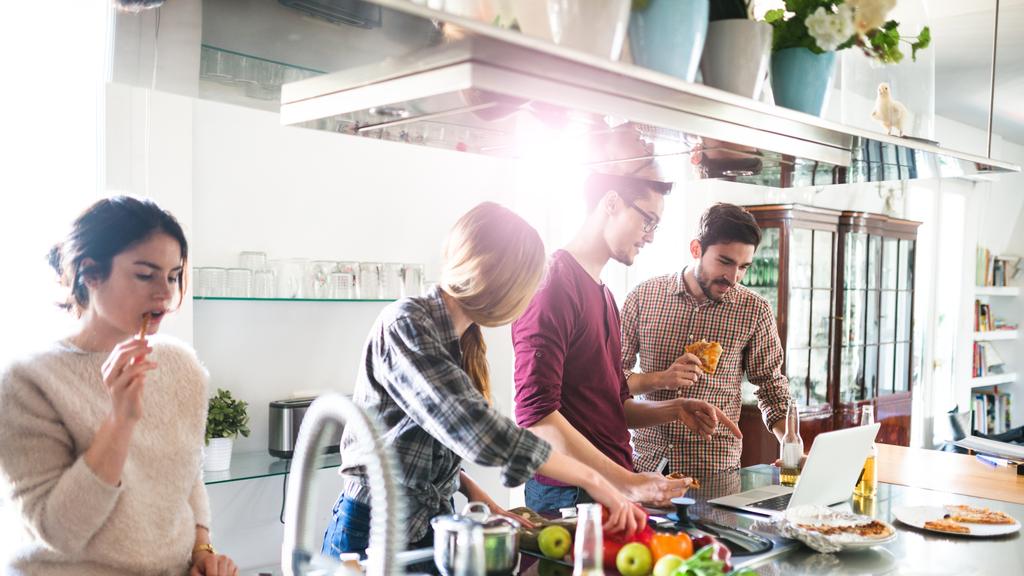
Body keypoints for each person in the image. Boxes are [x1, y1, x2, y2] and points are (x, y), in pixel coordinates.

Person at [322, 202, 648, 560]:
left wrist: (475, 492)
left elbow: (422, 442)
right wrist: (595, 479)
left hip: (425, 525)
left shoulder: (459, 337)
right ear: (499, 279)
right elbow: (478, 429)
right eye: (528, 286)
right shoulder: (407, 325)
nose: (530, 300)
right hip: (371, 529)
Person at [0, 196, 238, 576]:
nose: (164, 292)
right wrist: (119, 422)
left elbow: (186, 477)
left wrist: (202, 550)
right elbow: (59, 532)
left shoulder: (181, 365)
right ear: (91, 273)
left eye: (174, 275)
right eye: (145, 275)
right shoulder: (28, 381)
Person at [512, 173, 742, 513]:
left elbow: (613, 406)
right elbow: (536, 417)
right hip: (570, 494)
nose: (649, 237)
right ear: (611, 202)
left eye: (655, 227)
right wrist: (628, 482)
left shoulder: (604, 293)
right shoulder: (552, 286)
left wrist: (676, 409)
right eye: (647, 221)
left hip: (610, 486)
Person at [621, 203, 792, 479]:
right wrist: (661, 379)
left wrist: (791, 442)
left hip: (716, 472)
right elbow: (612, 379)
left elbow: (772, 387)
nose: (734, 278)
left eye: (743, 267)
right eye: (725, 262)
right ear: (696, 249)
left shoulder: (754, 310)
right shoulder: (643, 298)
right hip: (646, 468)